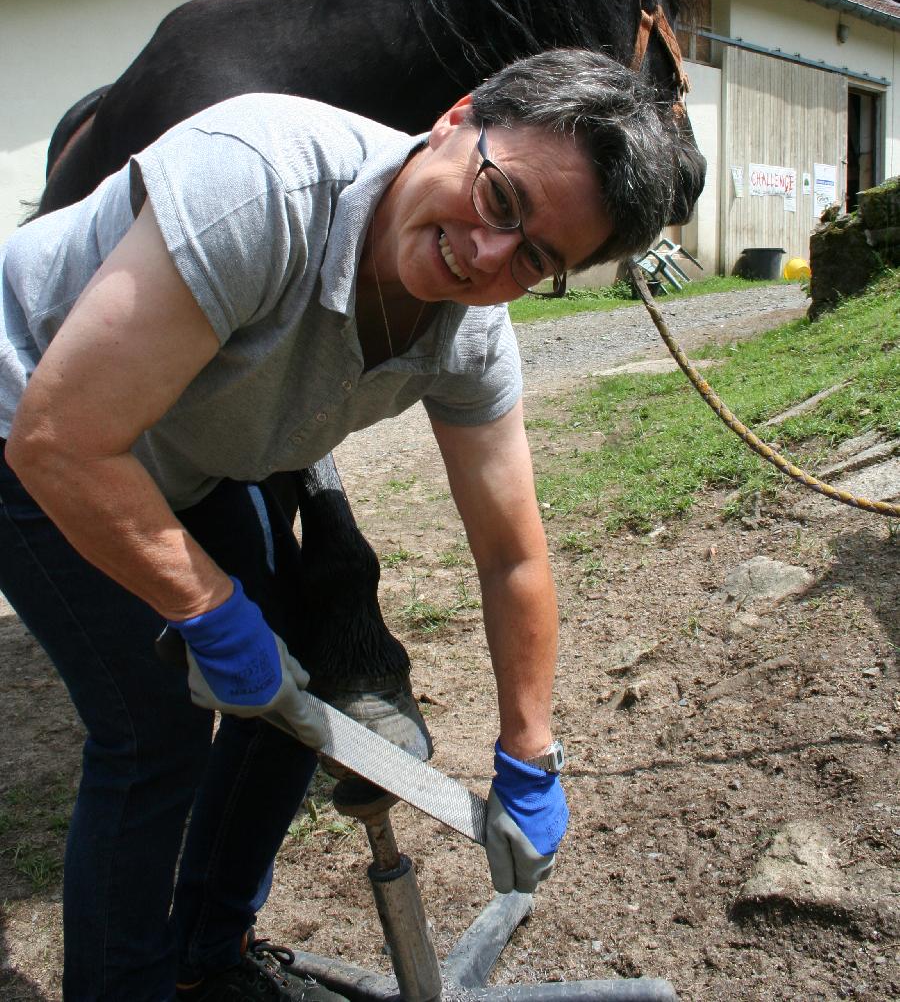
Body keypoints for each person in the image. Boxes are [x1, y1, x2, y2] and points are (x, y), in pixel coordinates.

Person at [0, 49, 685, 1002]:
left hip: (175, 452)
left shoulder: (471, 332)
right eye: (502, 201)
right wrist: (203, 605)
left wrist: (531, 751)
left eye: (537, 260)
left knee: (296, 699)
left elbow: (511, 554)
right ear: (456, 118)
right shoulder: (263, 184)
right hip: (30, 416)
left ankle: (211, 957)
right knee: (152, 725)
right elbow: (62, 442)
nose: (489, 257)